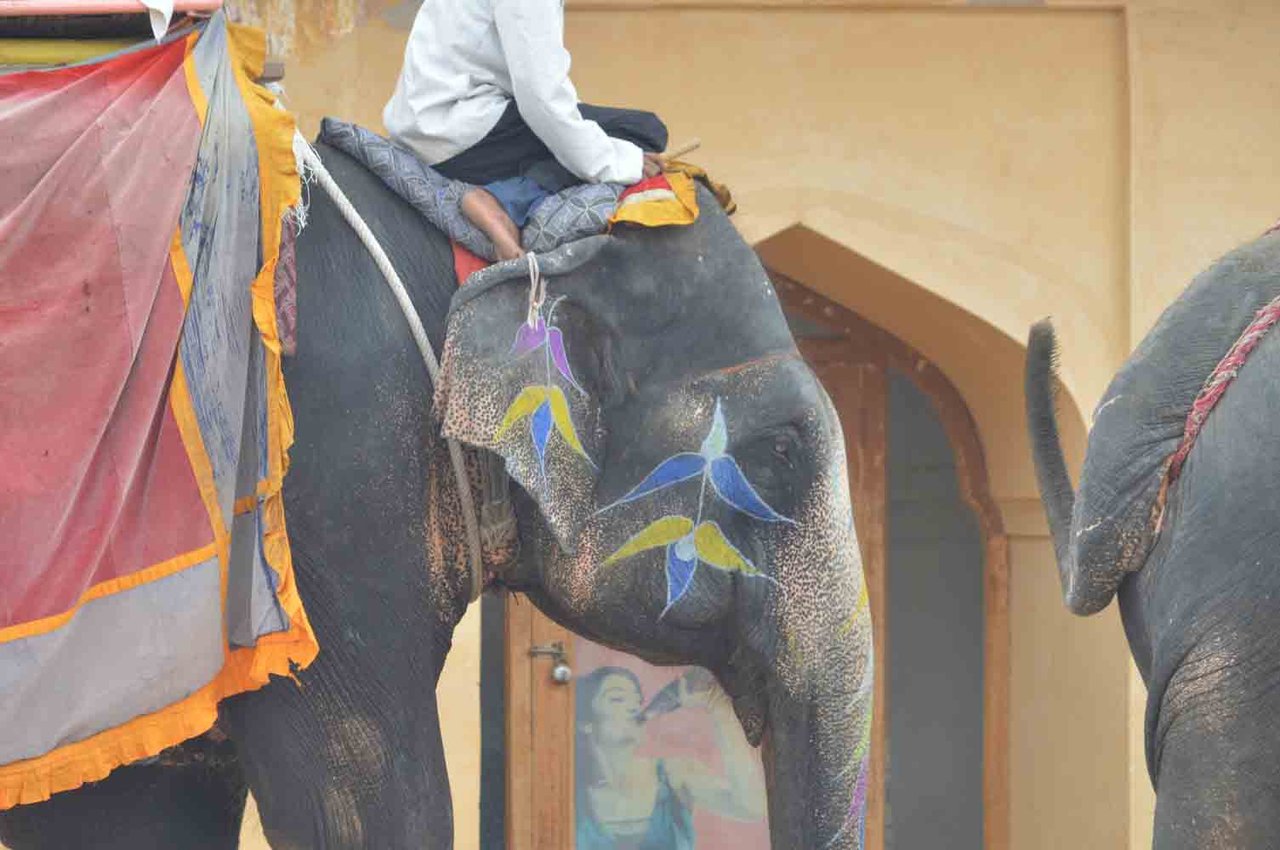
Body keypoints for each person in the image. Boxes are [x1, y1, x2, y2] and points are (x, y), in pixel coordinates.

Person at [383, 0, 669, 261]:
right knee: (643, 131)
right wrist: (619, 160)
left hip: (431, 124)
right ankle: (506, 200)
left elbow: (542, 85)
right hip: (461, 135)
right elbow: (541, 100)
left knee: (582, 129)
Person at [574, 666, 767, 849]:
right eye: (617, 699)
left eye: (637, 700)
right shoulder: (569, 791)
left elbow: (751, 808)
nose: (633, 707)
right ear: (585, 721)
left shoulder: (674, 774)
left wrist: (718, 707)